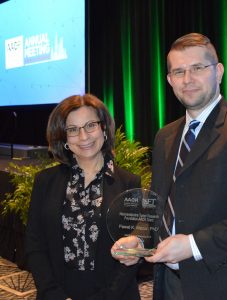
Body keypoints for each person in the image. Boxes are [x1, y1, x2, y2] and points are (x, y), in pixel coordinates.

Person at [111, 33, 227, 300]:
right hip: (168, 283)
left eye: (197, 68)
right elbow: (158, 206)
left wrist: (192, 245)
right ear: (169, 80)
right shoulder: (165, 136)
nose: (187, 79)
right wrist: (139, 241)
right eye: (178, 71)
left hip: (224, 285)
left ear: (219, 72)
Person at [25, 94, 141, 300]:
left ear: (104, 129)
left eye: (90, 125)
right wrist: (53, 295)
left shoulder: (129, 183)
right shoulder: (45, 181)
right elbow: (35, 245)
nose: (84, 136)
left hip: (113, 295)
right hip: (57, 293)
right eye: (72, 130)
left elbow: (133, 253)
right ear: (64, 138)